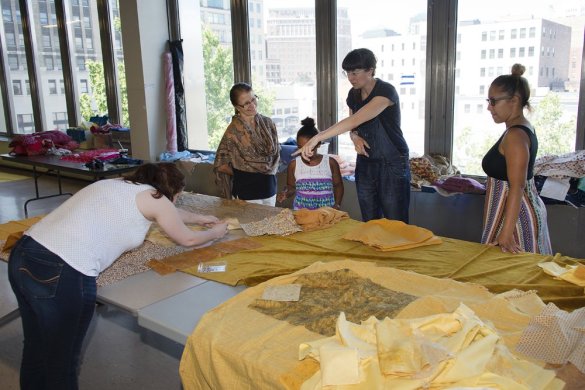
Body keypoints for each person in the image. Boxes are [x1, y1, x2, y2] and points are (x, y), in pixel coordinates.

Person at [8, 162, 228, 389]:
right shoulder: (156, 199)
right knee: (61, 362)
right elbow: (188, 239)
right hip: (62, 268)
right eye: (177, 196)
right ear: (169, 191)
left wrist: (198, 218)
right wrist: (215, 231)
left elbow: (168, 212)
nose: (175, 202)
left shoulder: (115, 185)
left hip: (23, 254)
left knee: (36, 349)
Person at [295, 48, 411, 222]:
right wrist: (355, 137)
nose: (350, 78)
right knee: (370, 219)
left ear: (370, 70)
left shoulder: (386, 92)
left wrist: (318, 137)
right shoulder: (353, 94)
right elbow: (353, 127)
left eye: (355, 72)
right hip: (365, 161)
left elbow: (356, 119)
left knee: (396, 221)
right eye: (347, 73)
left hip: (392, 162)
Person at [481, 64, 552, 254]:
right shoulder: (518, 129)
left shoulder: (515, 136)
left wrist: (506, 232)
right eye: (489, 100)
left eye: (494, 101)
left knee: (516, 277)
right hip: (511, 214)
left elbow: (517, 186)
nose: (489, 107)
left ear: (514, 100)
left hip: (516, 219)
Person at [214, 82, 280, 206]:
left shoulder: (268, 123)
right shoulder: (232, 132)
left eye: (253, 99)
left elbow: (276, 155)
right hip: (246, 193)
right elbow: (220, 164)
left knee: (270, 225)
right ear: (237, 107)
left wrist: (255, 168)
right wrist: (242, 172)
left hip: (270, 189)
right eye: (246, 104)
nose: (252, 105)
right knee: (249, 225)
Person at [277, 117, 344, 210]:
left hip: (326, 213)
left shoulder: (330, 163)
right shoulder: (294, 165)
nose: (304, 151)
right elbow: (291, 186)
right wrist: (286, 193)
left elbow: (338, 186)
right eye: (301, 147)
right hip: (301, 213)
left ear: (318, 144)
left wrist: (337, 204)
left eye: (309, 147)